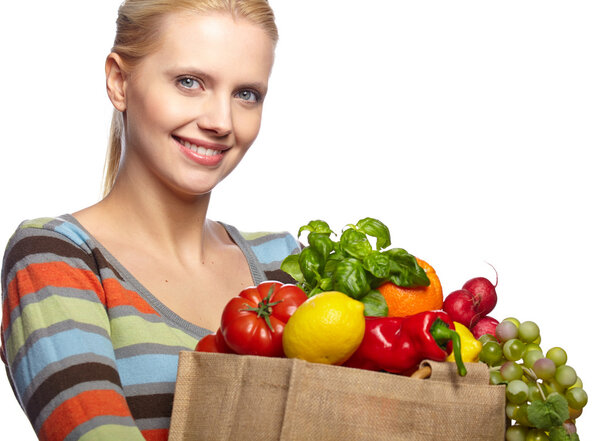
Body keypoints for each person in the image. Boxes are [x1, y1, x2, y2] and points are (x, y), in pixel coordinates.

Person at [0, 1, 300, 440]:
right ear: (120, 82)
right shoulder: (53, 258)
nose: (220, 121)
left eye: (246, 94)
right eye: (189, 82)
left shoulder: (284, 264)